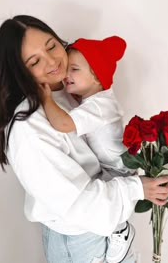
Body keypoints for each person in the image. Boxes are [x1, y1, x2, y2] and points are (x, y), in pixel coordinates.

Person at [0, 15, 168, 263]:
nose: (52, 61)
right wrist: (137, 188)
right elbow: (77, 202)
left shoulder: (65, 88)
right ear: (20, 71)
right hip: (79, 239)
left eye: (51, 46)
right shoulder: (28, 128)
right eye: (35, 61)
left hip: (100, 225)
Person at [41, 36, 135, 263]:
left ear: (96, 75)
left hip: (118, 170)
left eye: (74, 69)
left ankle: (120, 229)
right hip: (107, 167)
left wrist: (44, 97)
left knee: (104, 200)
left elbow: (63, 124)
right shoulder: (90, 101)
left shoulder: (100, 105)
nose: (66, 75)